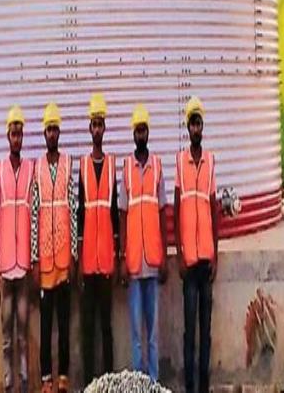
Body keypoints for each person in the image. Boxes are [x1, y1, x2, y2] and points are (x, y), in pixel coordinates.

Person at [119, 104, 168, 382]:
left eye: (144, 129)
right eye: (137, 130)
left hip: (153, 261)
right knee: (137, 333)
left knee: (153, 333)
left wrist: (163, 254)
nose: (141, 134)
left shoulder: (158, 167)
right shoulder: (126, 169)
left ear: (148, 132)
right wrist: (124, 258)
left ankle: (153, 383)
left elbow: (162, 212)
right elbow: (123, 215)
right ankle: (139, 383)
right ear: (133, 134)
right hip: (135, 264)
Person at [31, 101, 78, 393]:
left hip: (63, 259)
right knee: (45, 325)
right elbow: (35, 214)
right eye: (48, 129)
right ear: (44, 133)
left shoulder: (68, 164)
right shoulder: (36, 168)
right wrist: (35, 258)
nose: (51, 134)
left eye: (55, 129)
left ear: (59, 133)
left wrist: (73, 253)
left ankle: (63, 379)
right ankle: (46, 380)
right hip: (45, 261)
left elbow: (72, 209)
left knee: (64, 323)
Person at [174, 97, 219, 393]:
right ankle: (189, 385)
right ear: (187, 127)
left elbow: (214, 207)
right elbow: (177, 209)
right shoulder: (180, 161)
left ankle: (204, 385)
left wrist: (216, 251)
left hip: (206, 260)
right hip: (189, 262)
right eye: (192, 123)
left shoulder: (211, 160)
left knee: (206, 330)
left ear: (202, 127)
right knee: (190, 330)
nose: (195, 128)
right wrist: (178, 253)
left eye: (199, 123)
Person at [0, 105, 34, 393]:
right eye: (13, 134)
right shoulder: (0, 170)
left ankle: (25, 380)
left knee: (22, 333)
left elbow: (36, 216)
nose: (16, 139)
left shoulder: (31, 169)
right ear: (8, 137)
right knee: (7, 334)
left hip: (25, 266)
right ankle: (8, 382)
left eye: (20, 134)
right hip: (6, 267)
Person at [78, 92, 119, 385]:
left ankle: (107, 382)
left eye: (100, 124)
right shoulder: (81, 166)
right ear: (89, 128)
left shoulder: (113, 165)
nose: (97, 129)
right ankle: (91, 384)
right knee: (87, 326)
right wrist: (78, 259)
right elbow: (79, 214)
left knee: (107, 326)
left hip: (105, 260)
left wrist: (117, 257)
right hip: (87, 263)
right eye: (93, 124)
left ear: (104, 129)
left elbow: (115, 213)